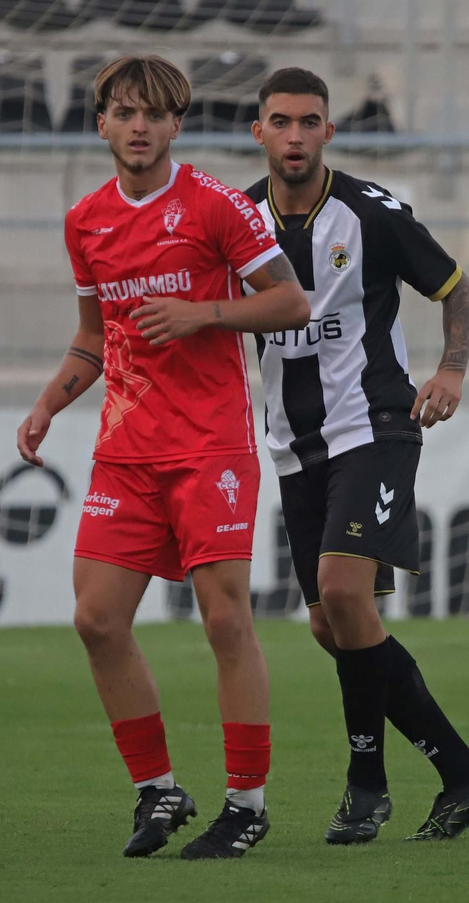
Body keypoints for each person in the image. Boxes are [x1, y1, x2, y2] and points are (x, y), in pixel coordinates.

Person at [16, 54, 310, 860]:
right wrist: (47, 404)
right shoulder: (85, 221)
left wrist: (203, 313)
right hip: (126, 451)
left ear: (176, 124)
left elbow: (290, 300)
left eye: (153, 113)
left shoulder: (215, 205)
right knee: (96, 619)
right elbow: (94, 336)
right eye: (124, 111)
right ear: (101, 124)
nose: (138, 125)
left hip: (210, 444)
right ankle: (158, 789)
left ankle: (246, 803)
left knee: (225, 619)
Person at [243, 67, 469, 845]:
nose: (295, 136)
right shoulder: (236, 220)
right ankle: (463, 774)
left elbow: (458, 289)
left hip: (374, 425)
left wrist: (451, 368)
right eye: (281, 121)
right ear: (258, 132)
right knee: (332, 625)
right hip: (294, 447)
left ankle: (367, 785)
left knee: (341, 591)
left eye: (310, 121)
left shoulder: (370, 213)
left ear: (329, 130)